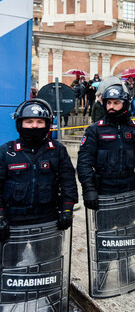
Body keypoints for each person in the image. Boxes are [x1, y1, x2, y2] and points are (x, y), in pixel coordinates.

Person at [0, 99, 78, 243]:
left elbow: (68, 182)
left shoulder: (58, 150)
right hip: (13, 221)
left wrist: (67, 209)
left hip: (47, 219)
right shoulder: (6, 152)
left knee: (48, 264)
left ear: (47, 124)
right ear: (20, 124)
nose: (34, 126)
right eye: (29, 122)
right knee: (13, 264)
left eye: (40, 122)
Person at [77, 84, 135, 205]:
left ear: (125, 104)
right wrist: (88, 188)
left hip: (129, 186)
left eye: (116, 103)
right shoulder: (95, 130)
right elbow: (84, 161)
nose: (111, 107)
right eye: (109, 103)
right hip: (104, 187)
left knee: (130, 222)